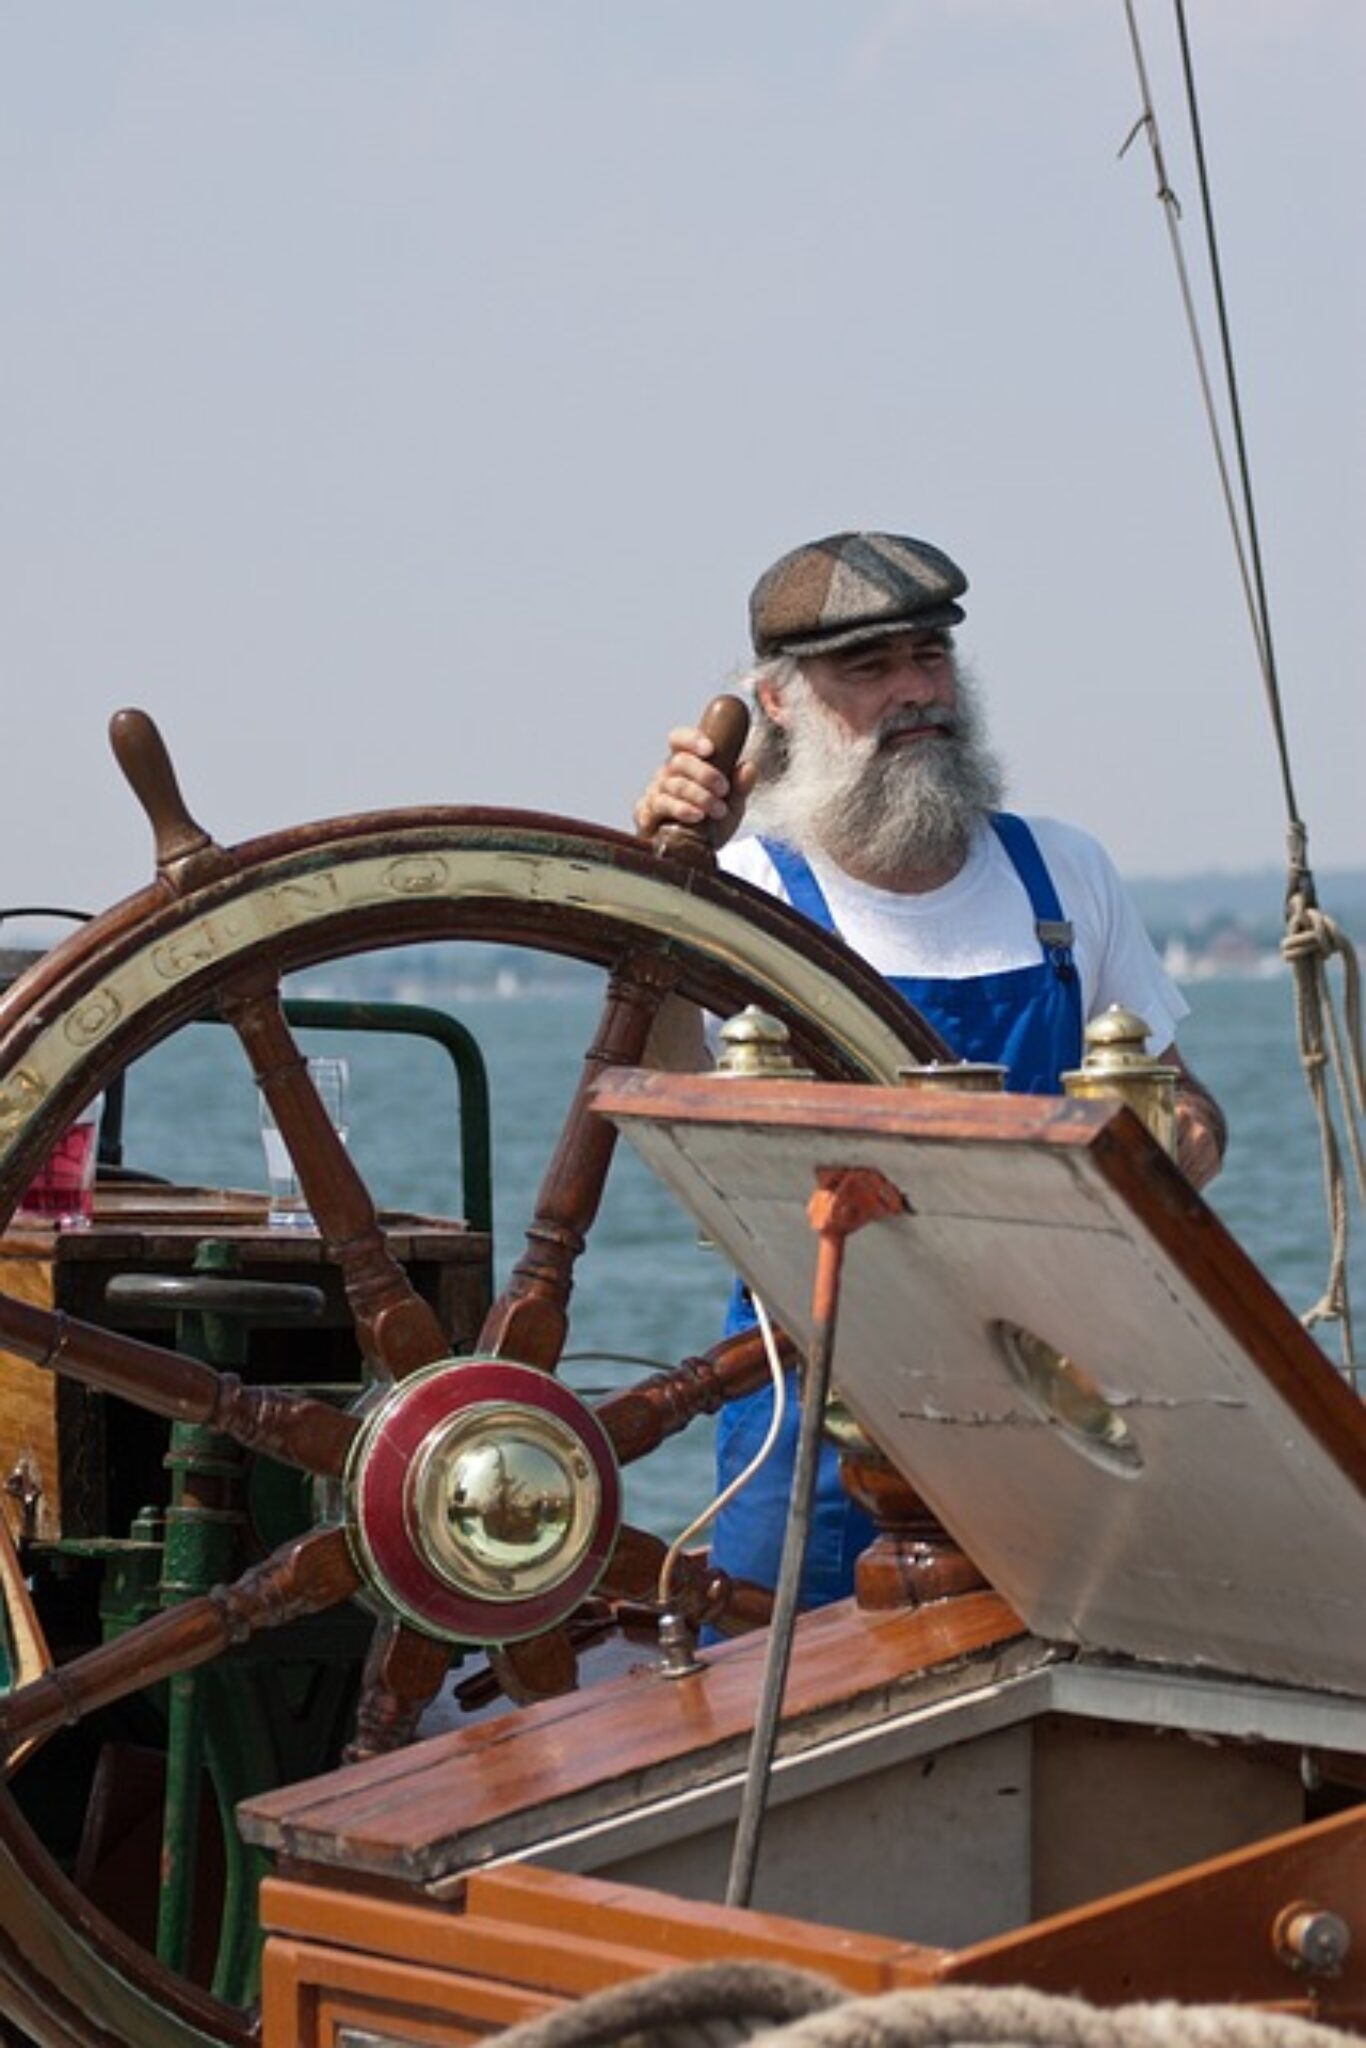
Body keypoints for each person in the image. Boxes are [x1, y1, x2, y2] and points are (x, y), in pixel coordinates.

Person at [633, 529, 1227, 1611]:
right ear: (776, 702)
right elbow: (660, 1109)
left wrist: (1171, 1144)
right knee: (783, 1689)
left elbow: (1187, 1104)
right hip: (807, 1423)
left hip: (1055, 1407)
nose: (915, 691)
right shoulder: (740, 885)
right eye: (868, 667)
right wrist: (667, 891)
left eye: (930, 655)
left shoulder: (1063, 873)